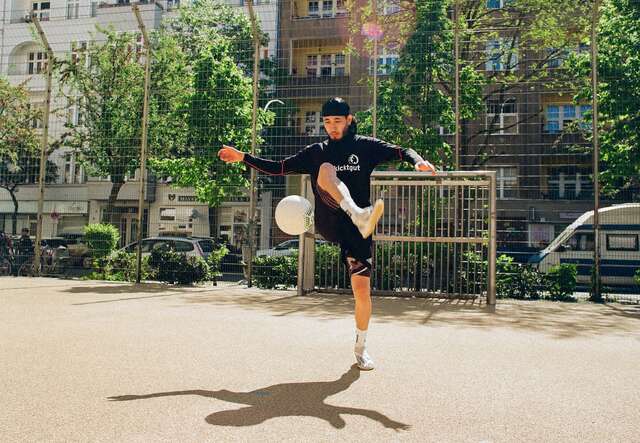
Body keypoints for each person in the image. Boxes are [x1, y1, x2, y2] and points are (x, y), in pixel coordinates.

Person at [218, 97, 436, 370]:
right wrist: (243, 157)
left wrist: (419, 162)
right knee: (325, 169)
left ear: (349, 120)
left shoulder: (365, 147)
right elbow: (279, 167)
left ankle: (360, 347)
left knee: (362, 292)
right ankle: (356, 211)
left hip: (357, 232)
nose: (332, 127)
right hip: (330, 219)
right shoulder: (316, 151)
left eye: (337, 121)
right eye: (327, 122)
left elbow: (403, 151)